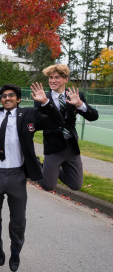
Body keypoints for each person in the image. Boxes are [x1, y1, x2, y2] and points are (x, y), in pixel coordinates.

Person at [0, 84, 63, 272]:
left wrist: (45, 103)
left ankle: (15, 250)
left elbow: (57, 122)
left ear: (18, 99)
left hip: (17, 175)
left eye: (11, 95)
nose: (7, 98)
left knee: (18, 218)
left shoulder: (29, 114)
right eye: (3, 96)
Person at [34, 64, 99, 192]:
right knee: (48, 186)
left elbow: (93, 116)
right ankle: (36, 164)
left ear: (65, 79)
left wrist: (80, 104)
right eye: (50, 77)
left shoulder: (75, 95)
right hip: (53, 146)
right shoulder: (41, 99)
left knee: (76, 185)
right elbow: (42, 122)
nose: (52, 80)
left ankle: (54, 169)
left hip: (71, 147)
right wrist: (46, 103)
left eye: (57, 77)